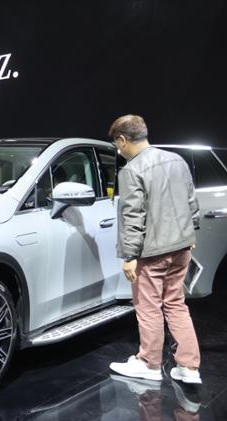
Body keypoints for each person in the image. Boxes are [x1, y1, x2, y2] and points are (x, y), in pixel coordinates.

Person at [108, 115, 202, 384]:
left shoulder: (131, 170)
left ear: (122, 140)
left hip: (152, 253)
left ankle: (149, 364)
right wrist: (191, 232)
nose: (118, 149)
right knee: (176, 304)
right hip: (182, 246)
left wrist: (129, 256)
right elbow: (191, 201)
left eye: (116, 144)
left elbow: (133, 216)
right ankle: (189, 367)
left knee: (149, 307)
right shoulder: (177, 160)